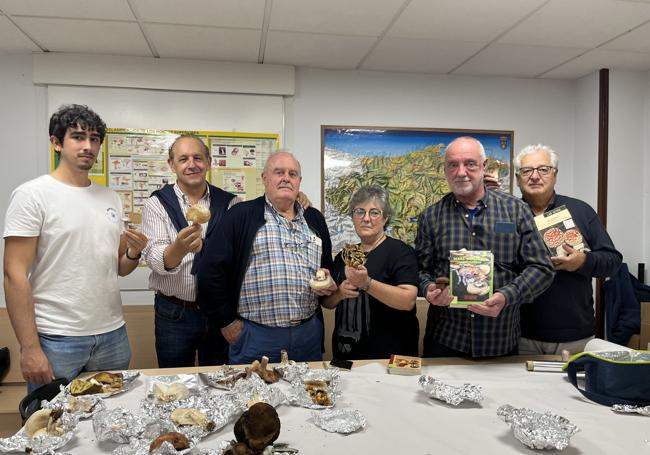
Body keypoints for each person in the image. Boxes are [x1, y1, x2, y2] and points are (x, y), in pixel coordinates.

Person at [3, 104, 147, 391]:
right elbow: (13, 275)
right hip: (57, 338)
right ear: (56, 143)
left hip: (112, 335)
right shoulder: (32, 195)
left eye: (94, 139)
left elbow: (119, 267)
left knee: (112, 425)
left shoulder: (110, 198)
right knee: (50, 427)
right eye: (78, 137)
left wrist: (134, 251)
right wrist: (29, 348)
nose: (88, 146)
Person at [415, 136, 554, 358]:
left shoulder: (516, 211)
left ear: (484, 166)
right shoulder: (431, 216)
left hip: (499, 340)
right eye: (453, 165)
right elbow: (421, 270)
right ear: (445, 170)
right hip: (445, 340)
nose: (461, 172)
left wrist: (507, 296)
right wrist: (428, 289)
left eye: (470, 163)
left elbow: (542, 267)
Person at [197, 151, 336, 364]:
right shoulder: (240, 216)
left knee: (307, 395)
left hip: (307, 333)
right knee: (254, 397)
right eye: (278, 172)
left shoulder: (314, 218)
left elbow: (326, 264)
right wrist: (226, 322)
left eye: (292, 173)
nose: (286, 178)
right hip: (255, 336)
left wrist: (326, 275)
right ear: (265, 178)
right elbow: (210, 271)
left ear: (299, 181)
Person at [141, 135, 239, 368]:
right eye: (183, 159)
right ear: (172, 165)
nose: (191, 164)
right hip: (174, 312)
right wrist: (179, 247)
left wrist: (296, 199)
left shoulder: (230, 204)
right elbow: (156, 260)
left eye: (197, 157)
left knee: (219, 381)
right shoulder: (156, 204)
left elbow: (238, 259)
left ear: (209, 161)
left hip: (219, 312)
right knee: (174, 382)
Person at [515, 144, 622, 355]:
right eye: (527, 170)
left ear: (555, 174)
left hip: (575, 336)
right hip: (519, 334)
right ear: (518, 178)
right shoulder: (508, 213)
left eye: (543, 169)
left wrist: (582, 262)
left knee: (574, 388)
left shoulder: (580, 210)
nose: (535, 176)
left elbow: (612, 261)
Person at [323, 186, 419, 359]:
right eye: (360, 212)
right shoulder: (343, 256)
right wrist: (339, 293)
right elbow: (327, 303)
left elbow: (408, 301)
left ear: (385, 218)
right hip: (346, 356)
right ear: (352, 217)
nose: (366, 218)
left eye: (374, 212)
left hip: (391, 358)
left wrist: (366, 283)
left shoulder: (400, 252)